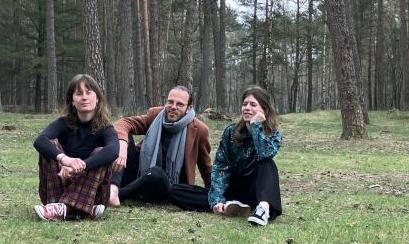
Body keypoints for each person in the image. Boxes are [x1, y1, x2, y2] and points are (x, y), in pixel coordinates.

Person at [109, 86, 212, 211]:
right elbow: (123, 123)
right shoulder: (156, 116)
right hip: (138, 174)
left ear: (188, 108)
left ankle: (119, 195)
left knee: (156, 173)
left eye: (180, 104)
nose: (173, 107)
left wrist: (214, 193)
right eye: (170, 102)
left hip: (167, 185)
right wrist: (123, 145)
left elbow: (206, 167)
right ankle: (113, 188)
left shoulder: (199, 130)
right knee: (121, 137)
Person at [33, 74, 118, 221]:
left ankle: (62, 208)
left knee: (101, 152)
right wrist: (64, 159)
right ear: (72, 100)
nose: (84, 97)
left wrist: (80, 166)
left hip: (93, 194)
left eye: (88, 92)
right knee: (50, 145)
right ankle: (81, 209)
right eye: (79, 94)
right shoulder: (63, 123)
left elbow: (113, 150)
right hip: (59, 188)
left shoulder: (105, 128)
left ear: (97, 98)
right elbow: (40, 140)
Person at [209, 86, 283, 226]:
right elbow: (220, 165)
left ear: (264, 109)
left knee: (267, 163)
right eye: (245, 104)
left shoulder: (273, 134)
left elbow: (265, 153)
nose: (247, 108)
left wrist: (256, 125)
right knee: (185, 191)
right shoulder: (231, 132)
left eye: (253, 105)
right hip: (234, 189)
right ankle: (229, 206)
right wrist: (217, 199)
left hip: (256, 191)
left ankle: (262, 210)